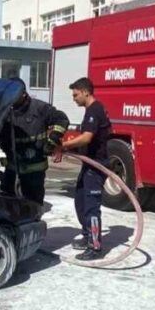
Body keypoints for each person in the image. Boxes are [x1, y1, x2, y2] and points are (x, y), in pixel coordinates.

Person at [54, 77, 111, 261]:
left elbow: (87, 138)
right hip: (88, 165)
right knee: (80, 201)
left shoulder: (95, 110)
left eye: (75, 94)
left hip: (96, 166)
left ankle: (95, 246)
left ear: (86, 92)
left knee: (91, 207)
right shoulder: (91, 110)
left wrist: (64, 145)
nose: (74, 98)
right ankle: (87, 236)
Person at [0, 78, 69, 204]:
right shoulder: (4, 111)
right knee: (7, 202)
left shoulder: (40, 108)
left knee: (33, 204)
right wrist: (3, 144)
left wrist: (52, 141)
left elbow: (62, 119)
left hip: (34, 172)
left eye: (14, 93)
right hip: (12, 169)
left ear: (23, 93)